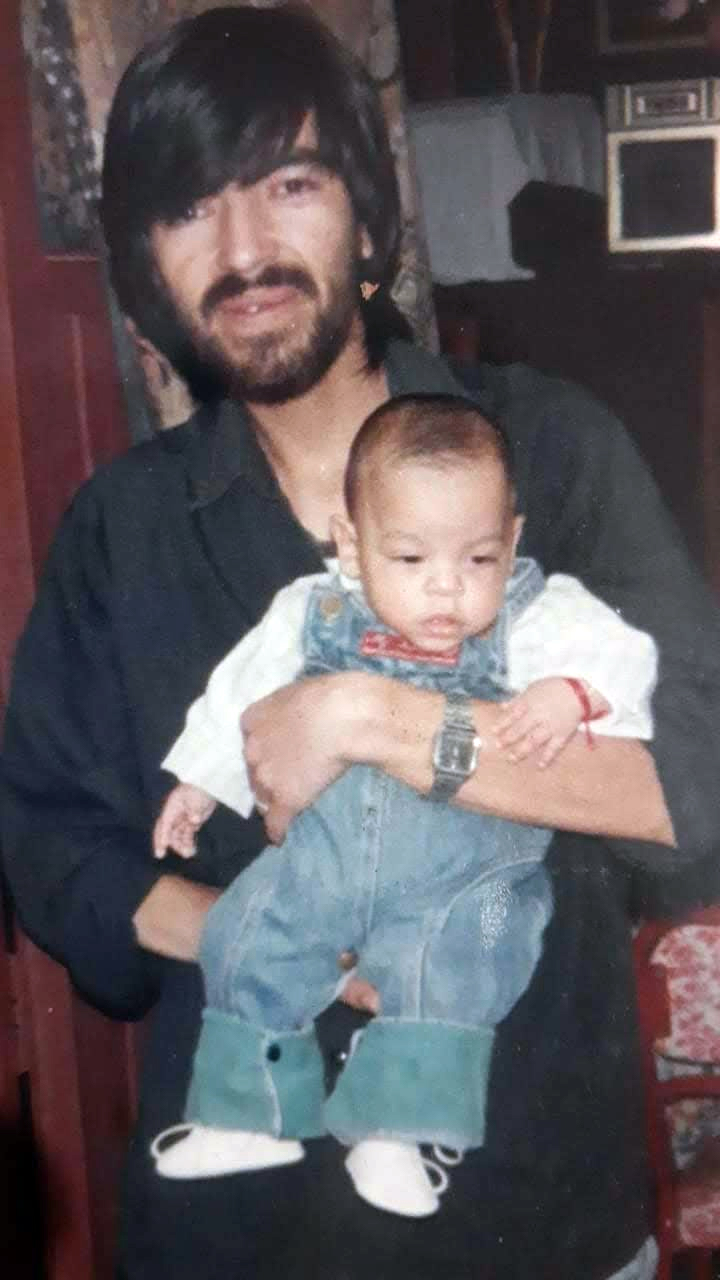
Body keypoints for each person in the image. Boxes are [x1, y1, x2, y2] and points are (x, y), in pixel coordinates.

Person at [2, 5, 720, 1278]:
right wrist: (264, 934)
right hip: (240, 1234)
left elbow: (703, 789)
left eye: (287, 182)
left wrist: (378, 721)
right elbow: (53, 846)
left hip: (531, 1205)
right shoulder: (121, 529)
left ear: (368, 214)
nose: (242, 249)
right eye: (188, 210)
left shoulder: (549, 448)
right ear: (145, 265)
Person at [150, 392, 657, 1217]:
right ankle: (253, 1116)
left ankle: (398, 1133)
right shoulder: (308, 611)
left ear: (514, 541)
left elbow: (623, 656)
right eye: (411, 560)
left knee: (453, 973)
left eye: (480, 560)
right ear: (350, 543)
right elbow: (237, 693)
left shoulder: (538, 613)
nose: (447, 592)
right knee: (246, 934)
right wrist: (200, 784)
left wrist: (573, 691)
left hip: (465, 875)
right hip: (322, 858)